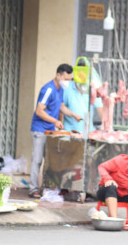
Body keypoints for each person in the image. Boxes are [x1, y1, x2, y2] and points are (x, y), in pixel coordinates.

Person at [28, 63, 83, 199]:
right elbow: (39, 111)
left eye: (69, 79)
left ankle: (46, 188)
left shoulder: (61, 89)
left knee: (50, 161)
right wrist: (55, 121)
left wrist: (73, 115)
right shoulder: (48, 89)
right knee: (37, 160)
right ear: (58, 75)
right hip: (40, 129)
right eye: (66, 79)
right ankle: (33, 188)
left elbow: (61, 106)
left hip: (51, 131)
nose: (67, 82)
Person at [62, 66, 103, 133]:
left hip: (88, 131)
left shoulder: (92, 89)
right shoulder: (67, 88)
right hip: (70, 132)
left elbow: (100, 109)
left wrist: (106, 126)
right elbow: (61, 108)